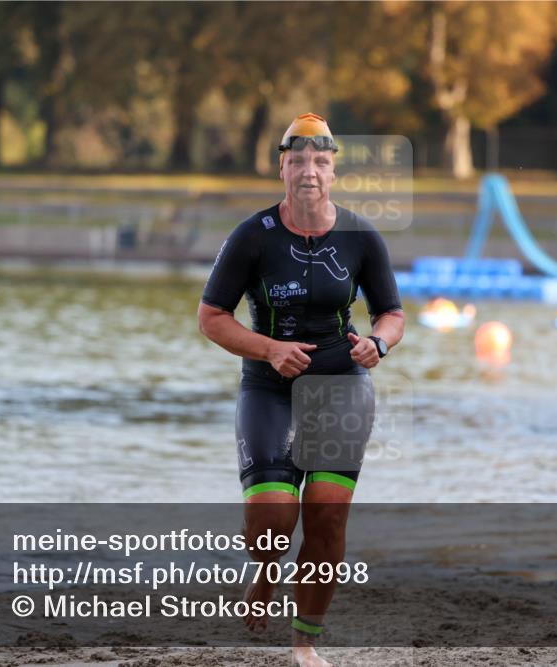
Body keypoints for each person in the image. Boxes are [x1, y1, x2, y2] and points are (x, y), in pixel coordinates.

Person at [197, 112, 405, 667]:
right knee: (273, 522)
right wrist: (270, 349)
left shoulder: (361, 236)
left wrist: (378, 344)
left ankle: (304, 643)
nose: (308, 171)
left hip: (341, 385)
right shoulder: (252, 236)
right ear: (282, 170)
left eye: (319, 161)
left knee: (327, 517)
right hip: (270, 387)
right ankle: (266, 572)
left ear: (333, 171)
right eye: (297, 161)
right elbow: (211, 317)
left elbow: (392, 314)